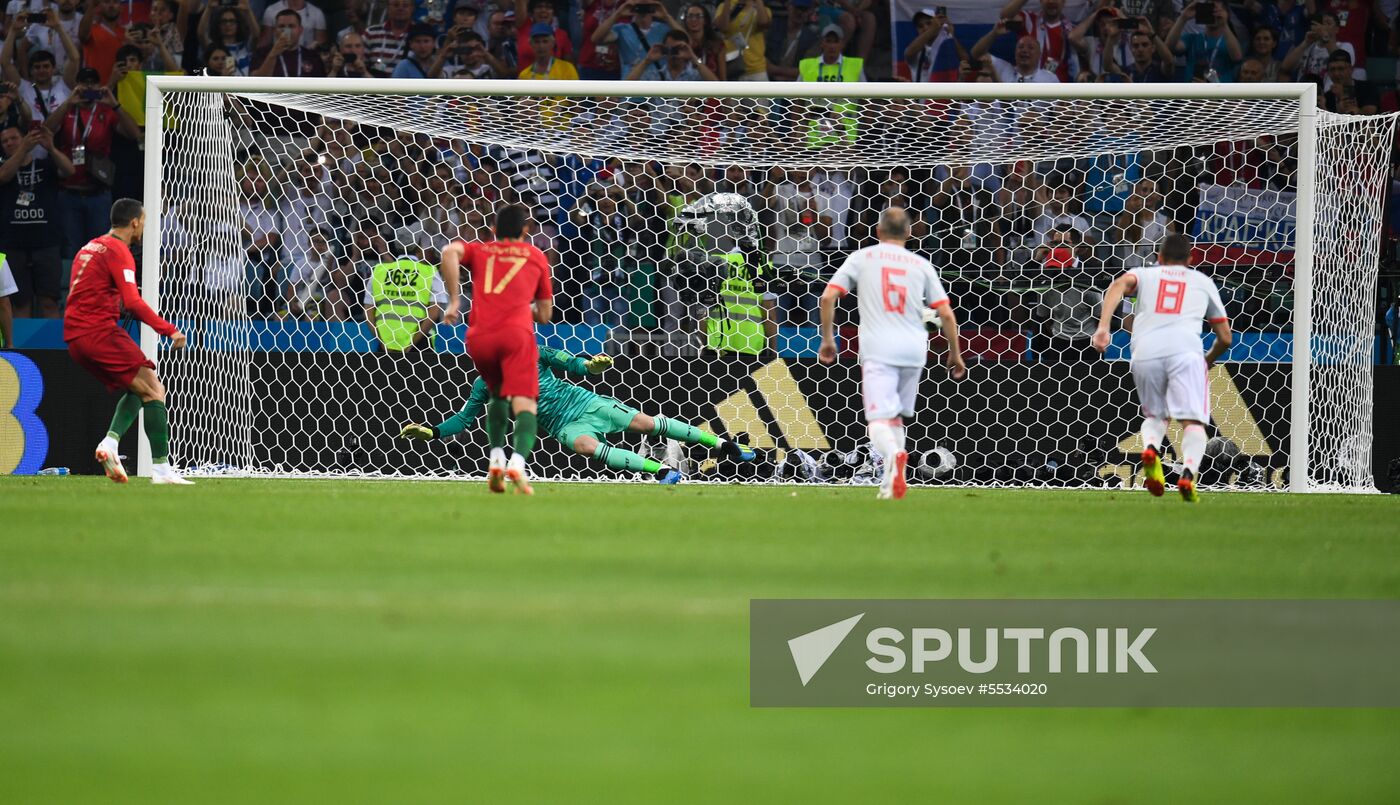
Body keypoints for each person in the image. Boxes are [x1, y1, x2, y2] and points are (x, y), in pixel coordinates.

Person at [400, 346, 756, 483]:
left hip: (585, 403)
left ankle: (723, 445)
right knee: (585, 447)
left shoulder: (534, 353)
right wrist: (432, 432)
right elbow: (464, 419)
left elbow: (575, 364)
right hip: (562, 425)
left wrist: (592, 366)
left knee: (645, 423)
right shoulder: (484, 385)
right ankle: (661, 471)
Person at [818, 207, 966, 500]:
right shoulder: (921, 264)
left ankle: (895, 455)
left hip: (879, 348)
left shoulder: (862, 258)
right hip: (914, 349)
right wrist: (955, 353)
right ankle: (892, 480)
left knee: (878, 420)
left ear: (878, 231)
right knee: (896, 417)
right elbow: (946, 314)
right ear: (909, 233)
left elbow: (827, 297)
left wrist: (827, 339)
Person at [1091, 233, 1233, 503]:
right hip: (1186, 353)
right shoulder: (1202, 282)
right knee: (1192, 422)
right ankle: (1188, 474)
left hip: (1146, 352)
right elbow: (1225, 337)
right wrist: (1208, 360)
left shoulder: (1144, 275)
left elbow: (1118, 284)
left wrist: (1103, 328)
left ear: (1159, 257)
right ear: (1190, 259)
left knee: (1156, 416)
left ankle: (1151, 448)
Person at [63, 197, 192, 484]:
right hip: (97, 332)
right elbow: (132, 302)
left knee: (141, 385)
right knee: (154, 389)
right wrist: (169, 330)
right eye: (143, 223)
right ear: (135, 222)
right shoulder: (119, 250)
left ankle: (111, 443)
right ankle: (161, 471)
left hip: (75, 337)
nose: (143, 228)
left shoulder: (90, 247)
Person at [438, 202, 553, 495]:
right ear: (526, 231)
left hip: (480, 337)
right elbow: (545, 314)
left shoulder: (481, 250)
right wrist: (522, 307)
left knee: (497, 394)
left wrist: (454, 300)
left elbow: (449, 251)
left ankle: (496, 458)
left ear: (493, 230)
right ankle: (517, 463)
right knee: (525, 403)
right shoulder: (535, 255)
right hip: (515, 335)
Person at [0, 123, 74, 317]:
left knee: (49, 301)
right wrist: (23, 149)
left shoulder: (45, 165)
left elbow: (69, 170)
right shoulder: (4, 168)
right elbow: (3, 176)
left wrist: (51, 148)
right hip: (14, 245)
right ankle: (20, 339)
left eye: (14, 138)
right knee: (19, 303)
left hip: (46, 243)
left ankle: (54, 339)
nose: (9, 143)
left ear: (24, 137)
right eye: (5, 141)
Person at [362, 240, 447, 351]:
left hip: (386, 343)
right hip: (418, 343)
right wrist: (412, 344)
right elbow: (434, 314)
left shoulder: (379, 270)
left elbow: (368, 311)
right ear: (419, 248)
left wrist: (382, 342)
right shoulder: (429, 272)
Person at [998, 0, 1077, 81]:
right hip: (1026, 82)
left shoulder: (1070, 30)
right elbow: (1005, 17)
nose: (1051, 1)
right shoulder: (1029, 20)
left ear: (1063, 2)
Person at [1166, 1, 1241, 83]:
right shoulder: (1193, 39)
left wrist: (1224, 24)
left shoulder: (1230, 42)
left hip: (1220, 90)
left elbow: (1237, 57)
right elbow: (1169, 47)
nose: (1213, 15)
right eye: (1210, 10)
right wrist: (1183, 18)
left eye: (1217, 12)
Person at [970, 18, 1058, 83]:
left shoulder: (1049, 79)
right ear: (1015, 52)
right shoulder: (1004, 69)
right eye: (1021, 47)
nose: (1024, 50)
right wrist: (994, 33)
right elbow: (976, 54)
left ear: (1039, 55)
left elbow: (1060, 103)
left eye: (1030, 47)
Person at [253, 9, 327, 76]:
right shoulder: (261, 53)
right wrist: (273, 55)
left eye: (291, 26)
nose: (286, 31)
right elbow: (256, 81)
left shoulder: (312, 57)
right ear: (275, 31)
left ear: (300, 30)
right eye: (282, 26)